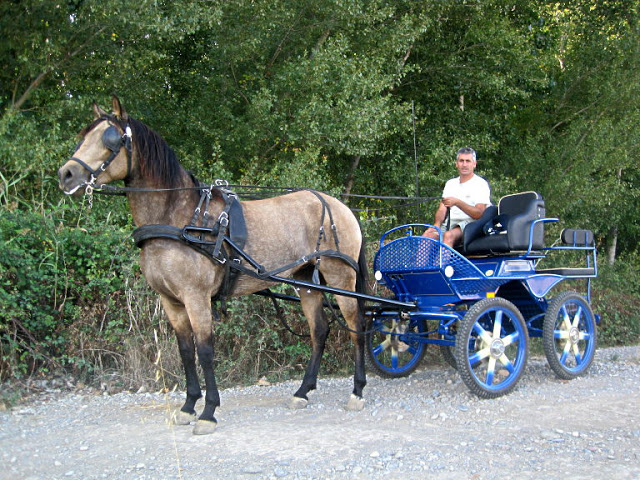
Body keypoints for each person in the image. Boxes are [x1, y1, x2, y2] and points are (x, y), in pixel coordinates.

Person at [423, 147, 491, 247]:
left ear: (474, 164)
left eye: (468, 161)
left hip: (471, 225)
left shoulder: (480, 184)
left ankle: (443, 263)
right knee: (427, 236)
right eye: (461, 161)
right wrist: (436, 225)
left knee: (448, 235)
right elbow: (442, 210)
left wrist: (457, 202)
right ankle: (423, 263)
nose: (464, 164)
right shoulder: (450, 184)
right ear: (456, 164)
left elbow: (479, 214)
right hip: (450, 225)